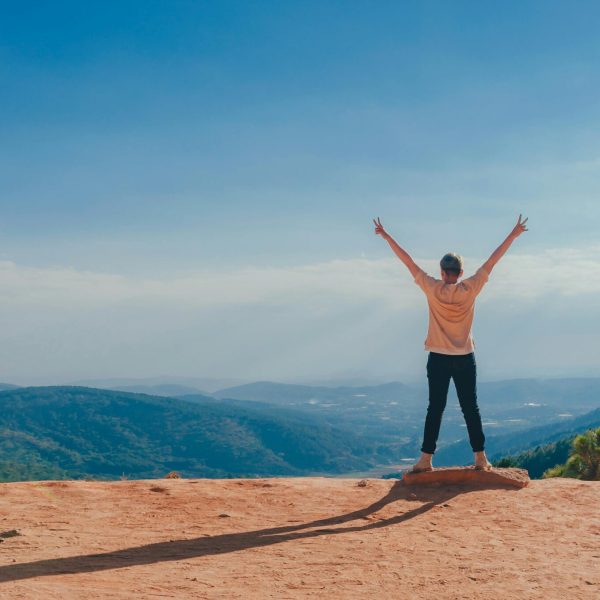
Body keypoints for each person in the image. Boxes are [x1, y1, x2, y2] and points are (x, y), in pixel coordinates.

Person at [373, 215, 529, 472]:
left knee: (435, 408)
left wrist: (387, 236)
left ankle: (426, 459)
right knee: (471, 408)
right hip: (465, 356)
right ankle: (480, 458)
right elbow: (493, 260)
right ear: (461, 273)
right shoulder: (471, 288)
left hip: (438, 357)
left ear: (443, 273)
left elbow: (408, 262)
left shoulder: (432, 288)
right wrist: (513, 234)